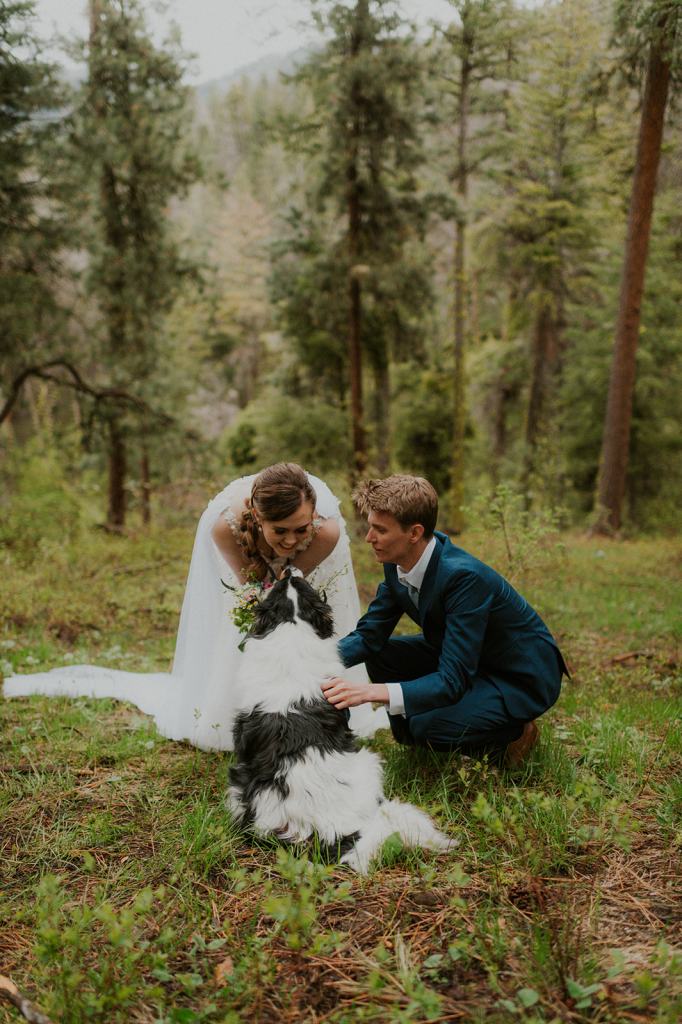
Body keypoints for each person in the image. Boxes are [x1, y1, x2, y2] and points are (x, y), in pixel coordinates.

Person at [4, 463, 386, 748]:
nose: (290, 541)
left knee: (301, 621)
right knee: (254, 619)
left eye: (299, 529)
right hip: (250, 568)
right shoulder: (226, 526)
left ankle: (312, 713)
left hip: (301, 575)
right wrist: (260, 601)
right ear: (257, 517)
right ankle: (254, 715)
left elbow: (290, 586)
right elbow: (256, 589)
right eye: (279, 531)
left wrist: (289, 581)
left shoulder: (325, 531)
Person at [322, 475, 568, 765]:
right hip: (468, 658)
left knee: (429, 727)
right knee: (381, 658)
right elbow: (368, 637)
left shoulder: (463, 577)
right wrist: (313, 663)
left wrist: (371, 692)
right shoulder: (396, 563)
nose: (369, 538)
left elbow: (452, 680)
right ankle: (420, 733)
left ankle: (514, 732)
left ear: (414, 533)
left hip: (517, 674)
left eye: (380, 529)